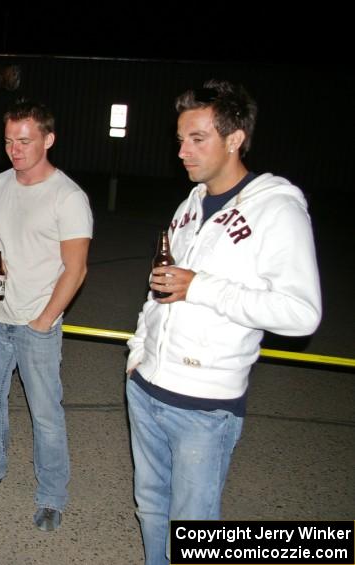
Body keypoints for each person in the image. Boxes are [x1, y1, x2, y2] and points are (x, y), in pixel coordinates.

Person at [126, 79, 322, 565]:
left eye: (197, 139)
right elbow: (161, 288)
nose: (182, 152)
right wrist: (138, 352)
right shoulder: (190, 204)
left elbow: (302, 314)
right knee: (151, 508)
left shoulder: (276, 208)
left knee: (193, 527)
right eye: (179, 139)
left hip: (204, 406)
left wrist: (202, 286)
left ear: (235, 139)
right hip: (147, 388)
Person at [0, 99, 93, 532]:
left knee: (46, 414)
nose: (15, 149)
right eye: (9, 140)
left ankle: (52, 495)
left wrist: (45, 320)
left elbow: (76, 268)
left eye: (25, 140)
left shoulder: (67, 197)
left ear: (48, 140)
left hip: (37, 323)